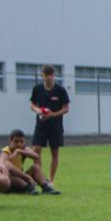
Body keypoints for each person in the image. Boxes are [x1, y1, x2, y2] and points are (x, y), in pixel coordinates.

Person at [29, 64, 69, 192]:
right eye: (46, 75)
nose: (49, 78)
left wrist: (52, 114)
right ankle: (41, 179)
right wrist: (39, 111)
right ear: (43, 75)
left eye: (51, 75)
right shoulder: (37, 89)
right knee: (36, 150)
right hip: (41, 124)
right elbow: (32, 105)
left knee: (54, 152)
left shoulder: (60, 90)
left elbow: (66, 109)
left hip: (55, 125)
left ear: (54, 75)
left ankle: (51, 180)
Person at [1, 129, 55, 195]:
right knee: (10, 175)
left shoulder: (23, 149)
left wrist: (19, 151)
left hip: (22, 177)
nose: (19, 144)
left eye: (21, 141)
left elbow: (36, 156)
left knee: (36, 167)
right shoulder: (5, 151)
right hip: (10, 181)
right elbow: (5, 166)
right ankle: (28, 188)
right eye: (16, 141)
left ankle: (45, 187)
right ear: (10, 140)